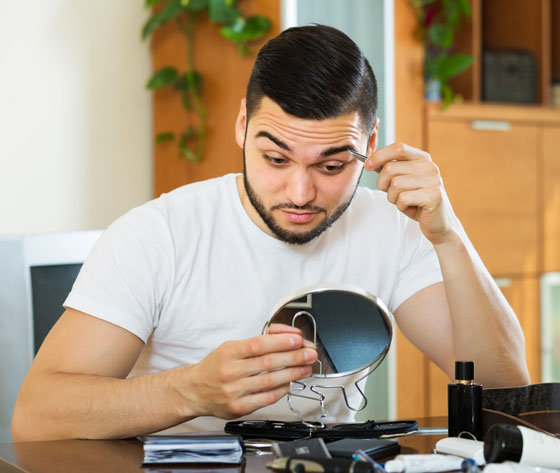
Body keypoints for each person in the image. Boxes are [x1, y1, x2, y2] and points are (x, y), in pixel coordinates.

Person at [12, 25, 529, 441]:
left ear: (369, 143)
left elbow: (505, 393)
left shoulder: (392, 226)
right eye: (276, 158)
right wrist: (190, 391)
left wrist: (448, 235)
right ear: (242, 127)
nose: (300, 192)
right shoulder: (159, 235)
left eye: (331, 165)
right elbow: (36, 415)